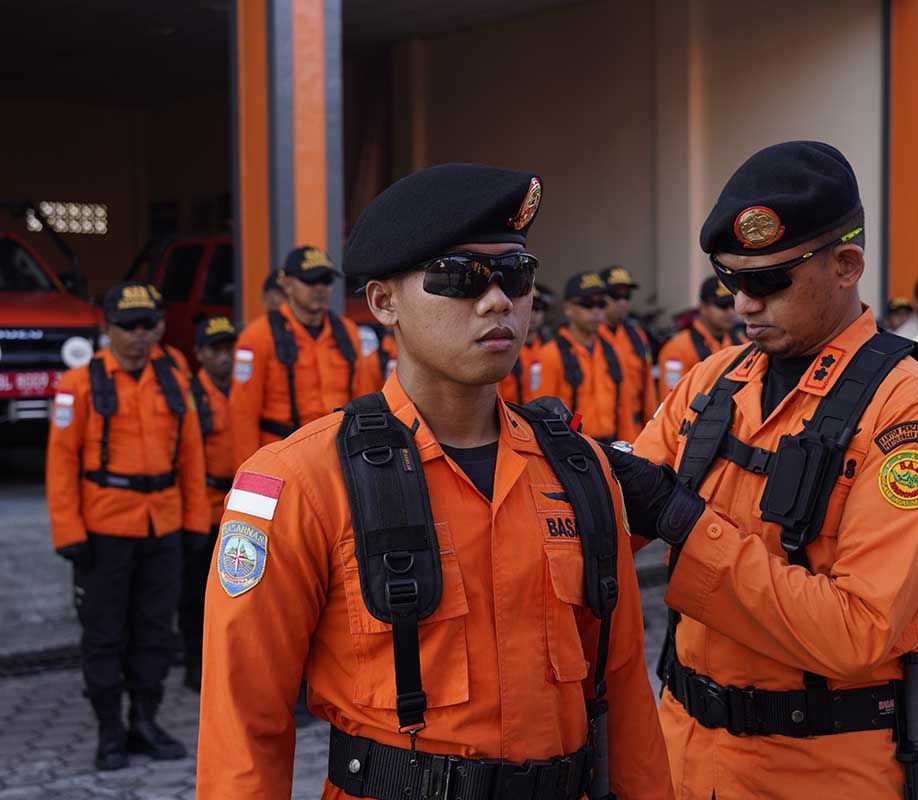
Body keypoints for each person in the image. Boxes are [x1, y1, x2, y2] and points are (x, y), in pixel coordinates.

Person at [196, 164, 672, 799]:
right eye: (458, 278)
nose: (498, 300)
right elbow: (243, 719)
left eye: (515, 275)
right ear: (383, 302)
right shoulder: (299, 481)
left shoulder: (581, 470)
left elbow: (623, 692)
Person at [615, 140, 918, 798]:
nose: (743, 303)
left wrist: (686, 524)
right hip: (685, 754)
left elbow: (857, 632)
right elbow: (615, 520)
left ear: (845, 265)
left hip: (817, 768)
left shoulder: (908, 407)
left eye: (767, 281)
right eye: (730, 281)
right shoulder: (713, 382)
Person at [46, 281, 208, 770]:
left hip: (164, 526)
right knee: (104, 634)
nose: (140, 335)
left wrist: (197, 522)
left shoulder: (174, 376)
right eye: (129, 326)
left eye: (149, 324)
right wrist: (69, 533)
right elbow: (60, 464)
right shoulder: (78, 384)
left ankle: (144, 720)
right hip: (104, 531)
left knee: (156, 630)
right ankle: (110, 730)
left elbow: (192, 455)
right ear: (106, 327)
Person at [228, 246, 371, 465]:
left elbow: (363, 399)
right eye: (310, 281)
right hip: (282, 457)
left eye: (326, 281)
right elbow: (243, 413)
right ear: (287, 285)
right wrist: (249, 474)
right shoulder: (257, 336)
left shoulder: (348, 332)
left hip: (339, 455)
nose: (320, 288)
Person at [179, 314, 237, 692]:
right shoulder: (191, 397)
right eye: (216, 350)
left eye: (229, 348)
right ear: (200, 354)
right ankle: (195, 666)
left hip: (238, 507)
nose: (225, 357)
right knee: (196, 596)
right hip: (206, 506)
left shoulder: (244, 390)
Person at [534, 271, 625, 443]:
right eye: (587, 304)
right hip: (572, 448)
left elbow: (623, 408)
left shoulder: (612, 350)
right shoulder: (550, 354)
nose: (596, 311)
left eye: (601, 304)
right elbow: (542, 416)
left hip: (611, 447)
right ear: (568, 308)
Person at [598, 266, 657, 441]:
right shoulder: (589, 339)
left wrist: (653, 426)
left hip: (636, 430)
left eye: (627, 296)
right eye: (616, 296)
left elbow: (648, 388)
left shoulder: (636, 335)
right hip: (602, 433)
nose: (622, 302)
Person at [656, 276, 740, 397]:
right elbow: (671, 400)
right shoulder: (677, 349)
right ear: (702, 307)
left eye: (733, 305)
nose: (731, 312)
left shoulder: (741, 343)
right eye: (723, 306)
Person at [499, 283, 551, 404]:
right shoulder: (501, 347)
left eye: (537, 309)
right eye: (530, 308)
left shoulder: (552, 347)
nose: (532, 315)